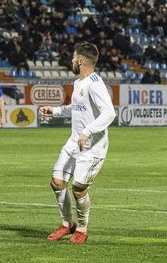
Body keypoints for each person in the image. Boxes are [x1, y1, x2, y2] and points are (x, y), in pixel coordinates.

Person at [39, 42, 115, 244]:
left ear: (81, 60)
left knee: (78, 188)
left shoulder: (95, 83)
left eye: (74, 57)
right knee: (57, 182)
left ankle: (81, 228)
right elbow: (76, 107)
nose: (72, 60)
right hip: (75, 142)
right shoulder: (78, 83)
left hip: (93, 147)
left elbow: (110, 112)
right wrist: (55, 111)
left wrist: (88, 132)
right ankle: (67, 224)